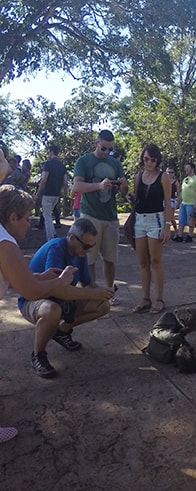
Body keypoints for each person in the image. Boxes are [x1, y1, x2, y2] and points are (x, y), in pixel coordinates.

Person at [0, 183, 79, 438]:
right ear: (12, 217)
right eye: (26, 218)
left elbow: (13, 278)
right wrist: (60, 281)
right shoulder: (6, 244)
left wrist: (42, 276)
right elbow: (30, 292)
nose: (30, 224)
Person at [18, 218, 115, 378]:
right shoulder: (56, 248)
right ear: (71, 239)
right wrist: (92, 293)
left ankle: (61, 332)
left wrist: (103, 292)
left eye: (92, 246)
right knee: (52, 310)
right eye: (86, 246)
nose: (89, 250)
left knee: (103, 305)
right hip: (33, 300)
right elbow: (56, 289)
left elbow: (88, 283)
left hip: (62, 301)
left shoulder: (80, 253)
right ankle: (38, 355)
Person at [71, 130, 128, 304]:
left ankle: (109, 293)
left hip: (110, 216)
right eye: (103, 148)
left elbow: (123, 192)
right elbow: (77, 186)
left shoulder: (115, 163)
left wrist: (124, 185)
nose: (106, 153)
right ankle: (92, 293)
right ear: (97, 143)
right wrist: (99, 185)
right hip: (89, 215)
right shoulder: (84, 161)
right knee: (89, 258)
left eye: (110, 150)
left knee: (110, 258)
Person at [130, 144, 172, 314]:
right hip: (140, 219)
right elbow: (136, 200)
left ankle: (159, 298)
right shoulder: (138, 177)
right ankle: (145, 298)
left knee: (155, 261)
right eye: (146, 159)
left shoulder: (163, 177)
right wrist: (128, 195)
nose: (149, 163)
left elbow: (169, 202)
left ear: (157, 160)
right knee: (143, 262)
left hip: (156, 219)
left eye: (152, 160)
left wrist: (168, 226)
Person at [36, 145, 69, 243]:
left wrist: (38, 193)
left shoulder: (48, 164)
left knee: (47, 217)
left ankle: (51, 238)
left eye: (48, 152)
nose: (47, 154)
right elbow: (65, 182)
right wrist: (64, 193)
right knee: (48, 215)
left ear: (51, 152)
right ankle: (53, 235)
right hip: (56, 194)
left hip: (47, 193)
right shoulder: (62, 166)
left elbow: (44, 180)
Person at [175, 163, 196, 243]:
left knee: (191, 220)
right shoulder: (185, 179)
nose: (186, 169)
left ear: (192, 169)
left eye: (187, 168)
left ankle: (190, 235)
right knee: (181, 220)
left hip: (191, 203)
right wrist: (178, 201)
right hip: (183, 203)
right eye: (185, 168)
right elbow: (183, 191)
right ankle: (180, 235)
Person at [167, 166, 180, 235]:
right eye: (169, 172)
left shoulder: (175, 182)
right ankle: (166, 232)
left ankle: (176, 231)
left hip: (172, 200)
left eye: (172, 172)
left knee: (171, 217)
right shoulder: (164, 181)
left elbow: (178, 192)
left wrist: (178, 201)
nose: (170, 174)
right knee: (164, 217)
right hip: (164, 200)